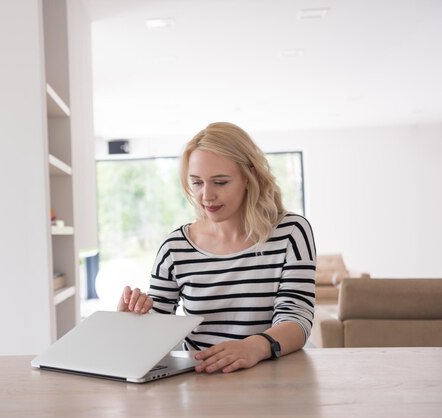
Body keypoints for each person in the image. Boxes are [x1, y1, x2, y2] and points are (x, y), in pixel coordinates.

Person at [117, 122, 316, 374]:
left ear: (249, 176)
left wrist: (253, 347)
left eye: (220, 182)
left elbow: (297, 319)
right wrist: (131, 321)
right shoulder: (175, 246)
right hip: (201, 380)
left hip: (272, 378)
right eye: (197, 183)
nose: (206, 196)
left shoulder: (291, 232)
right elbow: (155, 329)